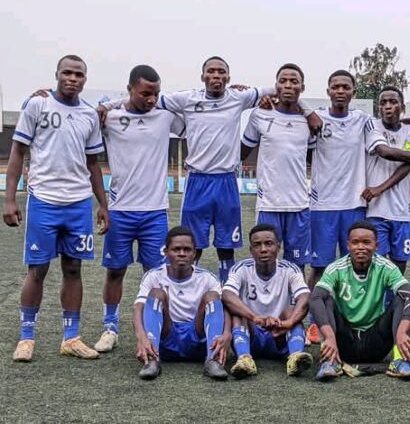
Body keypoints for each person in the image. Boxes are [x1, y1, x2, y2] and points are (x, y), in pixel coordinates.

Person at [100, 56, 318, 282]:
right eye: (211, 71)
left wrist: (308, 111)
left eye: (221, 72)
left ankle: (227, 292)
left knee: (227, 247)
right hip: (197, 181)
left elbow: (282, 89)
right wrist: (107, 105)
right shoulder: (186, 98)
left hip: (226, 182)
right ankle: (187, 290)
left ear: (228, 77)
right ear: (202, 76)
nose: (216, 76)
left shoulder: (238, 97)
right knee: (192, 246)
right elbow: (145, 97)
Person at [5, 55, 109, 362]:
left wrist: (103, 204)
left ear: (85, 80)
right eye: (67, 73)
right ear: (57, 75)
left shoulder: (89, 115)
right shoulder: (37, 105)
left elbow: (93, 163)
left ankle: (71, 337)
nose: (72, 78)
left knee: (73, 268)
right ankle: (26, 338)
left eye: (78, 74)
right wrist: (10, 199)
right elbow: (17, 152)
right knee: (37, 269)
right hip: (44, 201)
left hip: (78, 203)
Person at [308, 70, 410, 342]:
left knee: (365, 267)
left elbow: (391, 127)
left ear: (354, 92)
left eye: (345, 87)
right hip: (322, 206)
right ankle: (314, 323)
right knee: (320, 267)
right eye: (335, 86)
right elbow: (384, 149)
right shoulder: (316, 119)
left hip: (355, 204)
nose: (340, 91)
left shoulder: (363, 120)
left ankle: (369, 320)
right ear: (328, 91)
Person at [94, 65, 185, 353]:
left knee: (156, 274)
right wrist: (107, 105)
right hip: (120, 209)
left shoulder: (165, 116)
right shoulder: (110, 118)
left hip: (155, 211)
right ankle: (110, 327)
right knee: (115, 271)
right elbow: (84, 115)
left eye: (156, 93)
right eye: (145, 93)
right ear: (130, 89)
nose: (151, 99)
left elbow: (194, 115)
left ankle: (155, 326)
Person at [310, 221, 410, 382]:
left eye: (367, 242)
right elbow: (315, 298)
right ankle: (330, 361)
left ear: (376, 246)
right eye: (355, 242)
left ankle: (400, 360)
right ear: (348, 245)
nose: (360, 247)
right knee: (324, 298)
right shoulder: (336, 268)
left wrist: (402, 332)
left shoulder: (386, 267)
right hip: (342, 343)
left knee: (402, 298)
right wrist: (329, 337)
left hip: (376, 342)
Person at [241, 63, 314, 272]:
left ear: (302, 87)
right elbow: (241, 153)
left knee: (297, 266)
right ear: (276, 86)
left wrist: (308, 111)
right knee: (264, 263)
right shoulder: (260, 115)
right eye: (283, 81)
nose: (288, 85)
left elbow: (313, 158)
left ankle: (296, 295)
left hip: (299, 205)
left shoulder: (309, 121)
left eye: (294, 81)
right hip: (268, 205)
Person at [133, 226, 230, 380]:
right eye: (176, 249)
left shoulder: (207, 278)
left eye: (187, 249)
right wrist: (141, 336)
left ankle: (213, 360)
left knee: (212, 297)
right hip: (166, 338)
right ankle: (151, 359)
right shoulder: (153, 276)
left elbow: (225, 308)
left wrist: (227, 333)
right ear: (166, 252)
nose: (182, 253)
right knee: (156, 293)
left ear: (195, 253)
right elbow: (138, 308)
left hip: (199, 339)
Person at [221, 224, 313, 378]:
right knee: (238, 315)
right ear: (251, 250)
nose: (263, 249)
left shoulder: (290, 269)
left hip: (280, 332)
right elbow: (227, 295)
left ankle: (295, 357)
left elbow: (305, 297)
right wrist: (254, 317)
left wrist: (289, 322)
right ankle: (244, 359)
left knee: (292, 312)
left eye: (269, 244)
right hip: (251, 334)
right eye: (257, 245)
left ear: (278, 247)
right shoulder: (241, 268)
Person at [364, 86, 410, 274]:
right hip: (376, 211)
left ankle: (395, 296)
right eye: (383, 103)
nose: (388, 106)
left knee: (399, 267)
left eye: (393, 102)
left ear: (402, 107)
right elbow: (385, 152)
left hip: (401, 212)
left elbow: (408, 164)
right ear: (378, 108)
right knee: (376, 267)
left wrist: (380, 188)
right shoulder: (372, 126)